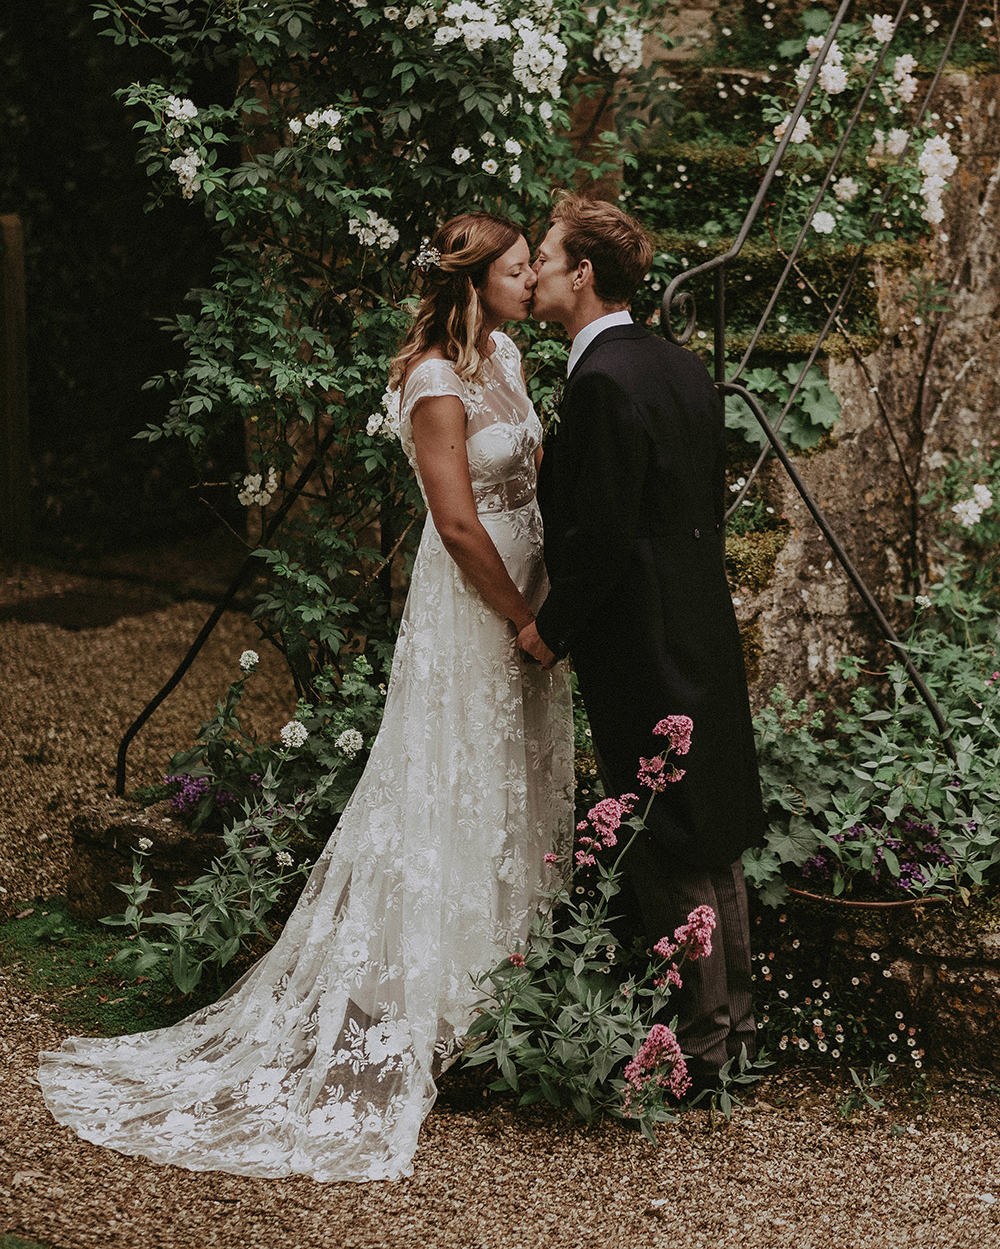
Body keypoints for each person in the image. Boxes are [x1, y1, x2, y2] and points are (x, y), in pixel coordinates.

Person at [38, 213, 574, 1182]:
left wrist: (555, 591)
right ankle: (428, 1000)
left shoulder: (506, 354)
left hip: (531, 589)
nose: (533, 274)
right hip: (475, 608)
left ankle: (505, 991)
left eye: (533, 262)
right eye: (517, 264)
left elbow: (530, 477)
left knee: (513, 777)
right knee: (449, 779)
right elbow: (455, 521)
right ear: (471, 280)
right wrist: (519, 620)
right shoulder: (434, 381)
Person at [517, 193, 767, 1095]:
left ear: (582, 274)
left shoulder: (601, 383)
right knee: (711, 830)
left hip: (645, 638)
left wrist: (551, 631)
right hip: (699, 617)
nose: (536, 271)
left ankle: (700, 1053)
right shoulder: (677, 364)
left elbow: (602, 537)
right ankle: (733, 1034)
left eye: (544, 257)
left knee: (660, 829)